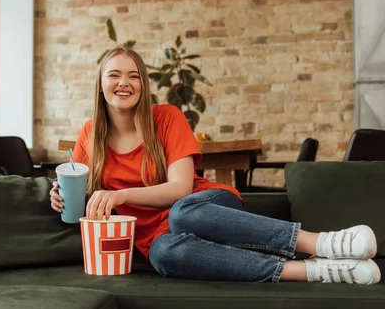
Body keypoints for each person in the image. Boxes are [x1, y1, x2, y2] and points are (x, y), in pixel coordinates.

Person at [50, 48, 381, 285]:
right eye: (114, 75)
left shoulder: (166, 118)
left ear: (143, 85)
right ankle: (315, 270)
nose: (124, 82)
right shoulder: (90, 134)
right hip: (155, 237)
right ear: (101, 85)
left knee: (182, 213)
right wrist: (60, 196)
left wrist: (121, 196)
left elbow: (180, 189)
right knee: (164, 256)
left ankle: (320, 243)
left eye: (133, 76)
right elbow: (82, 191)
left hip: (203, 206)